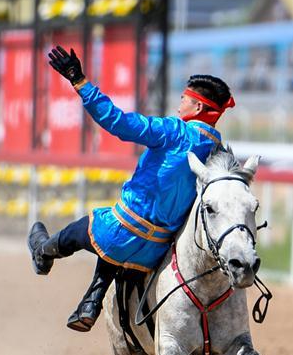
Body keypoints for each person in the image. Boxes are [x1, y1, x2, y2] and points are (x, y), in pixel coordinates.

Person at [28, 46, 235, 331]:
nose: (178, 106)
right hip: (156, 250)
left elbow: (119, 122)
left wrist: (79, 81)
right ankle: (91, 301)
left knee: (92, 228)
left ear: (198, 108)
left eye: (184, 100)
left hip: (122, 231)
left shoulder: (173, 131)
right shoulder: (219, 153)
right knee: (117, 241)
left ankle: (43, 252)